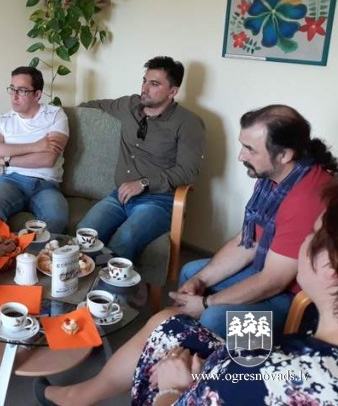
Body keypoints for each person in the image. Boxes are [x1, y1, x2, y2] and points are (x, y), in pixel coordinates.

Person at [34, 180, 338, 406]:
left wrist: (173, 389)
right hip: (264, 354)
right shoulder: (313, 338)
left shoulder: (293, 379)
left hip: (269, 318)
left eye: (313, 235)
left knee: (210, 320)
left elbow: (271, 282)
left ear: (331, 268)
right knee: (170, 318)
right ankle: (80, 395)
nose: (305, 240)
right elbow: (248, 243)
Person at [170, 105, 337, 337]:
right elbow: (249, 242)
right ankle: (182, 343)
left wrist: (206, 303)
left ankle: (225, 358)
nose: (241, 156)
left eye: (250, 149)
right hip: (269, 270)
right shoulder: (273, 176)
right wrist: (201, 280)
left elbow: (274, 281)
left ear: (285, 155)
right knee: (192, 273)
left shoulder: (306, 199)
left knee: (215, 317)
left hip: (297, 301)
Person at [77, 56, 205, 261]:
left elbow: (188, 172)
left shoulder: (188, 123)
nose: (144, 88)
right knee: (84, 233)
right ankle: (81, 279)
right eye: (144, 81)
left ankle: (110, 281)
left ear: (172, 92)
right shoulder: (129, 105)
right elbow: (90, 105)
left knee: (124, 240)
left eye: (154, 84)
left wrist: (143, 183)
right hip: (119, 196)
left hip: (158, 201)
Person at [0, 66, 69, 233]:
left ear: (37, 95)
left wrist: (4, 160)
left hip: (46, 185)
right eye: (12, 89)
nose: (14, 95)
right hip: (10, 181)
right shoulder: (3, 120)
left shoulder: (55, 115)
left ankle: (36, 251)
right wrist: (35, 146)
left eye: (22, 90)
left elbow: (48, 159)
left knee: (57, 217)